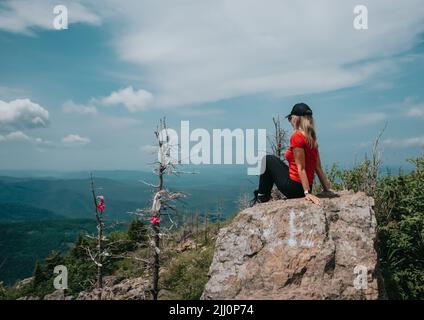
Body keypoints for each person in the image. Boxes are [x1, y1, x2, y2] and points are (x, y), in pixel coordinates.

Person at [252, 103, 332, 206]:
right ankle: (262, 196)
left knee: (267, 159)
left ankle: (262, 198)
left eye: (290, 118)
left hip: (294, 188)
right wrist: (327, 189)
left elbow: (301, 168)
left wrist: (307, 193)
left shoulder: (297, 137)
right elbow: (318, 167)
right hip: (304, 186)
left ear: (296, 119)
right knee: (272, 161)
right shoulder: (311, 138)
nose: (290, 121)